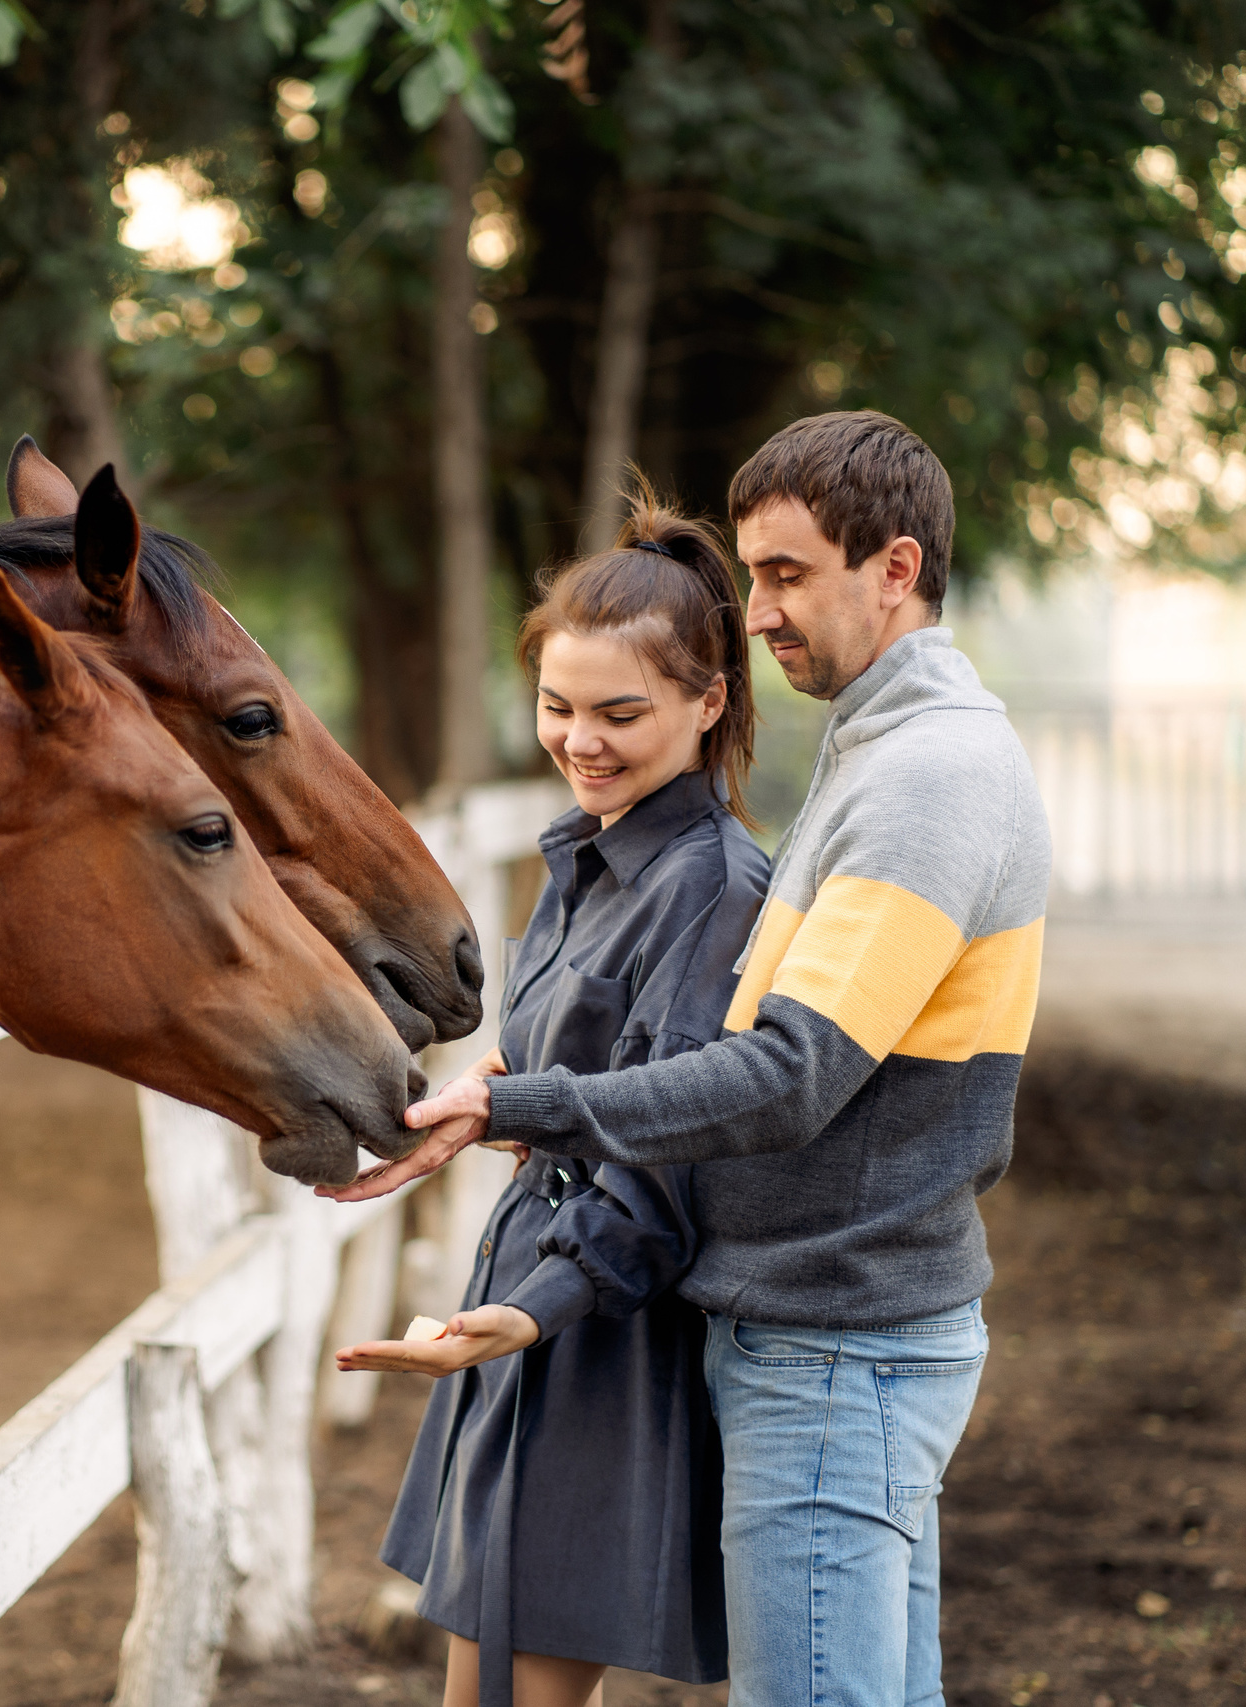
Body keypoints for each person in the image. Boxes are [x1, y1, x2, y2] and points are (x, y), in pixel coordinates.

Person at [336, 411, 1052, 1707]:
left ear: (895, 568)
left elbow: (789, 1073)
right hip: (809, 1328)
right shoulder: (880, 752)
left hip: (832, 1336)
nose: (757, 610)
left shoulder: (924, 777)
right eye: (753, 572)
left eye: (784, 575)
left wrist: (519, 1107)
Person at [337, 489, 769, 1707]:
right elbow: (575, 1065)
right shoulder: (585, 851)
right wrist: (488, 1092)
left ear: (710, 702)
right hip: (527, 1290)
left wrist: (530, 1315)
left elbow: (668, 1159)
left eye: (620, 714)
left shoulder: (712, 889)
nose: (581, 741)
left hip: (600, 1331)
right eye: (558, 706)